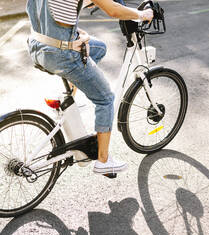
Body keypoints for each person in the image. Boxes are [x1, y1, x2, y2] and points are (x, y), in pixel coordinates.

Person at [26, 0, 153, 175]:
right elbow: (114, 10)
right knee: (106, 99)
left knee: (99, 48)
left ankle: (70, 101)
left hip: (37, 46)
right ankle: (103, 160)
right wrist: (142, 14)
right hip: (62, 54)